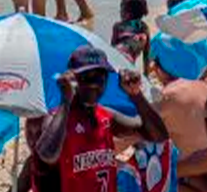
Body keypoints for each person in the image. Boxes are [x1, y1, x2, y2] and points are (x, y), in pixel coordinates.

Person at [31, 47, 168, 192]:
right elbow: (47, 155)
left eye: (99, 77)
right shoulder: (57, 118)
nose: (94, 84)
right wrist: (66, 100)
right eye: (87, 77)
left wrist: (136, 95)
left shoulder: (106, 117)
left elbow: (159, 135)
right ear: (72, 79)